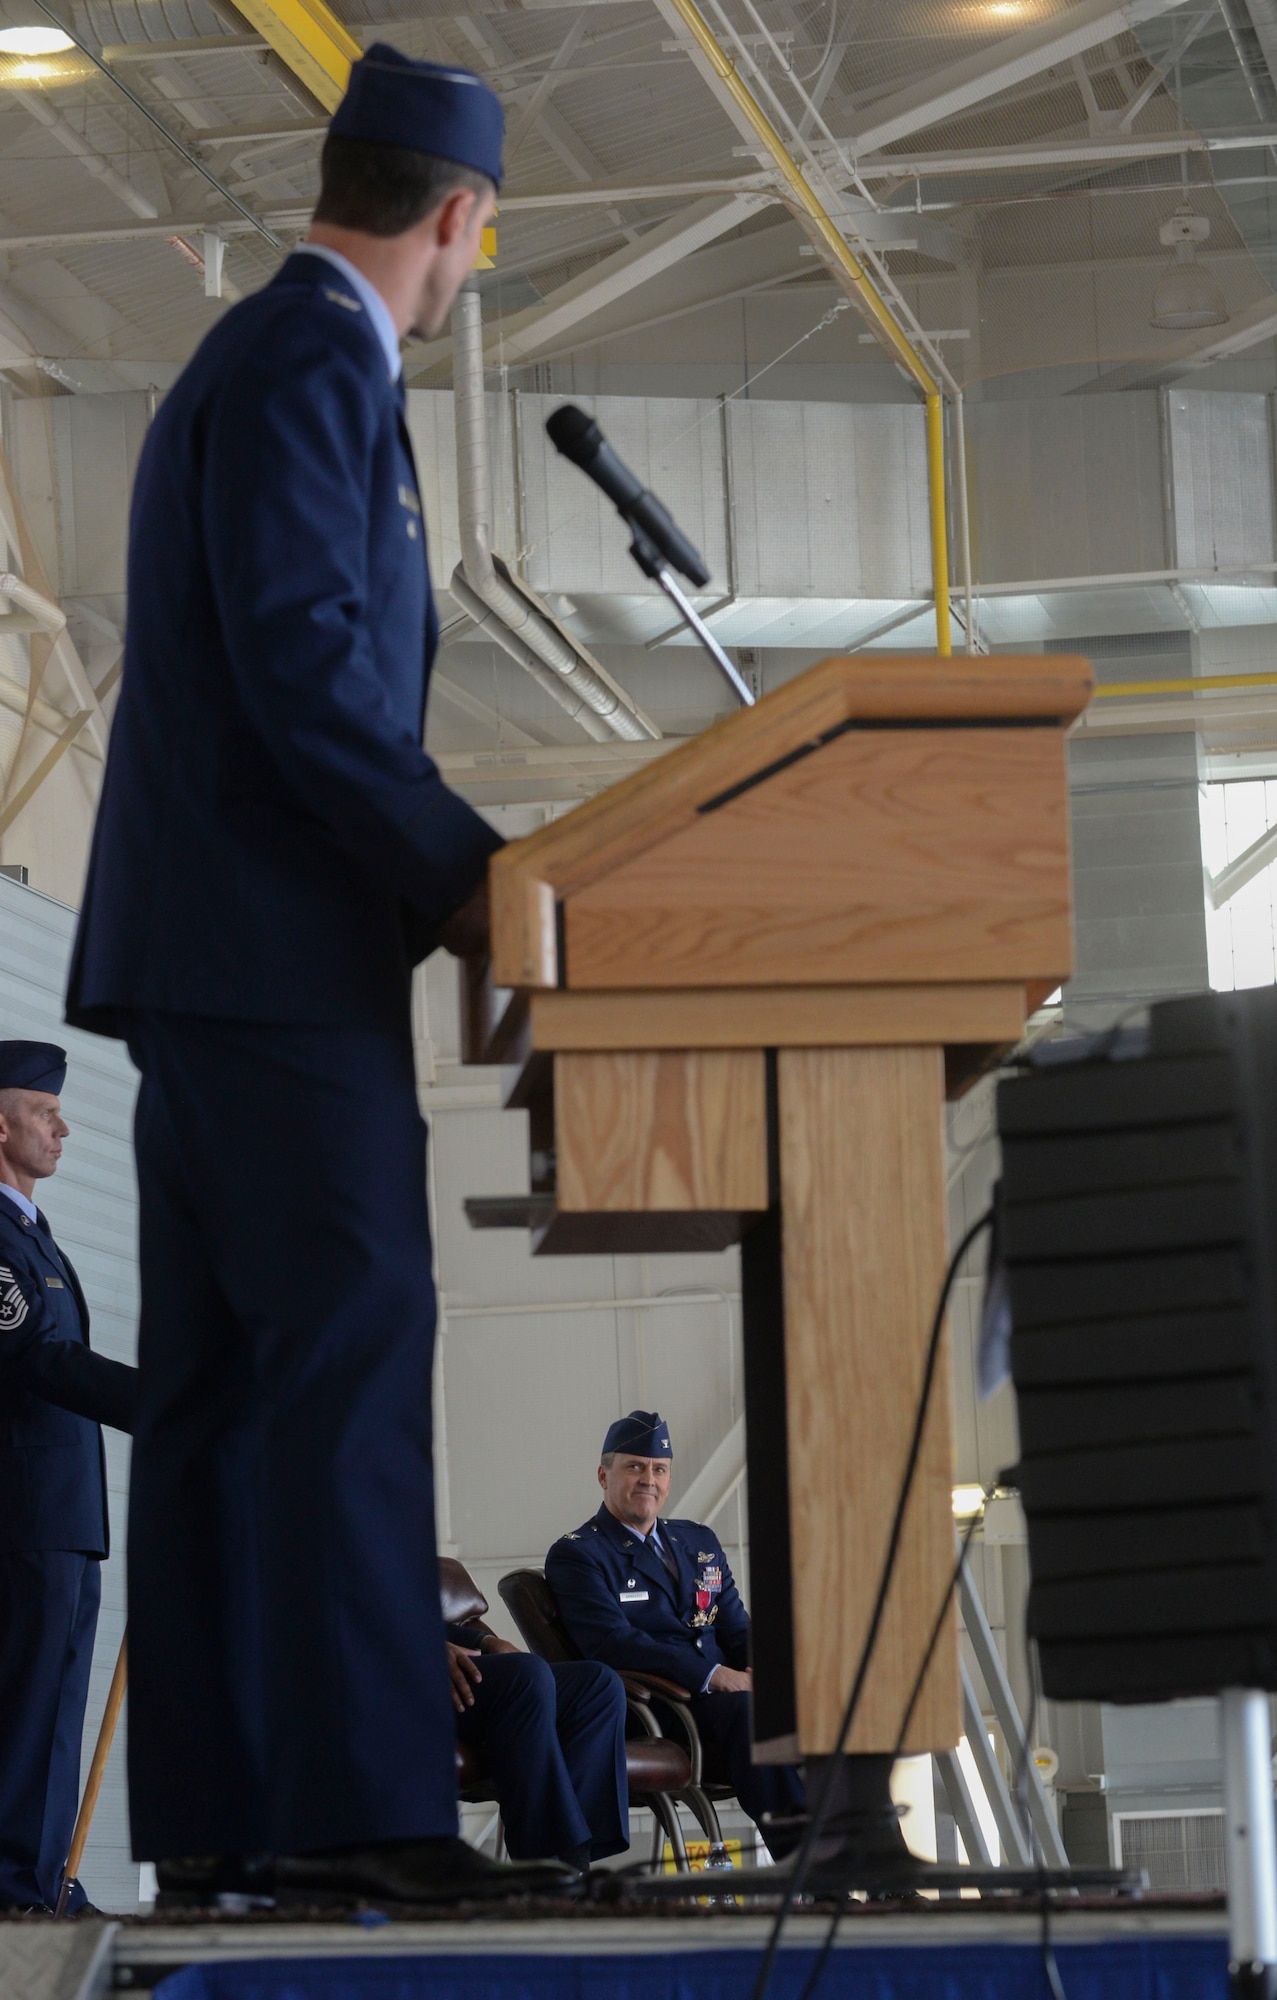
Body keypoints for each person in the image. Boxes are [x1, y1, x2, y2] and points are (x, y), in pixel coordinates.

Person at [64, 47, 571, 1909]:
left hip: (214, 969)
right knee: (349, 1360)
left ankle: (218, 1822)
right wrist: (477, 887)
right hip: (275, 967)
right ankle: (359, 1806)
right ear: (457, 216)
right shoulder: (304, 359)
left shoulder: (264, 357)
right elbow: (310, 669)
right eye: (478, 245)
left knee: (223, 1398)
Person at [0, 1040, 138, 1914]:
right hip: (23, 1515)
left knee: (52, 1710)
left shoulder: (31, 1235)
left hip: (65, 1517)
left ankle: (42, 1877)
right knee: (26, 1709)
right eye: (44, 1112)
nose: (63, 1127)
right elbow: (39, 1357)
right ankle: (17, 1889)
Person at [545, 1411, 806, 1861]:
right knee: (751, 1713)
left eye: (659, 1469)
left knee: (823, 1704)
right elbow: (612, 1643)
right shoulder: (579, 1553)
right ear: (604, 1475)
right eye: (635, 1467)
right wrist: (712, 1675)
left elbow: (736, 1625)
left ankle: (880, 1872)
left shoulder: (698, 1541)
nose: (649, 1479)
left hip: (727, 1698)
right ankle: (814, 1872)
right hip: (657, 1709)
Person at [442, 1580, 629, 1870]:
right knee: (526, 1675)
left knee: (596, 1684)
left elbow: (414, 1620)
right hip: (389, 1681)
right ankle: (545, 1867)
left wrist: (485, 1641)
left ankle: (577, 1864)